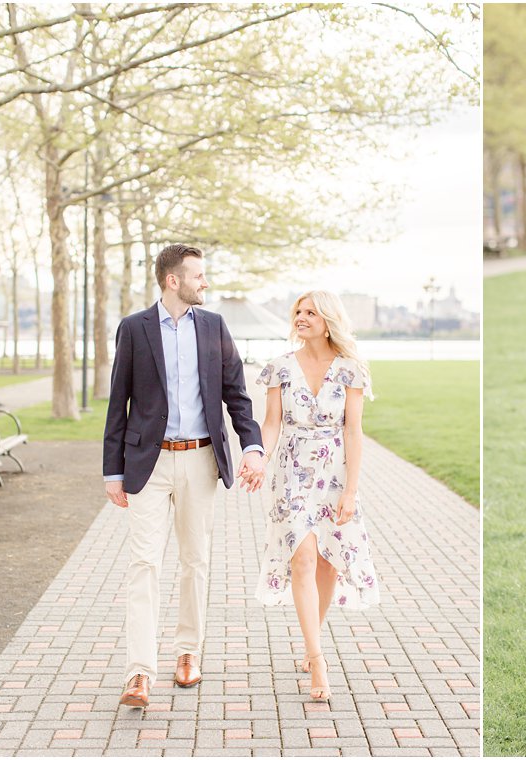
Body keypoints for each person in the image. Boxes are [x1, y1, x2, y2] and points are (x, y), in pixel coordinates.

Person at [103, 244, 266, 710]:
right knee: (144, 564)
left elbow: (237, 394)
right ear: (173, 280)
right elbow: (119, 403)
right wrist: (112, 470)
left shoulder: (214, 327)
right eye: (198, 275)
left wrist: (252, 447)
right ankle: (139, 672)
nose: (205, 283)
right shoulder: (134, 329)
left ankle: (188, 653)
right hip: (147, 466)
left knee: (195, 561)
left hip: (200, 460)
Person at [254, 290, 381, 702]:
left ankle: (313, 640)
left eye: (310, 312)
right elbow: (271, 424)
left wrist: (351, 491)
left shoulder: (351, 371)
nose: (302, 317)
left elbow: (353, 431)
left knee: (327, 563)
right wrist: (259, 457)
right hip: (290, 475)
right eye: (298, 312)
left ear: (328, 320)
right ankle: (317, 658)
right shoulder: (279, 369)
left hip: (334, 476)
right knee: (303, 558)